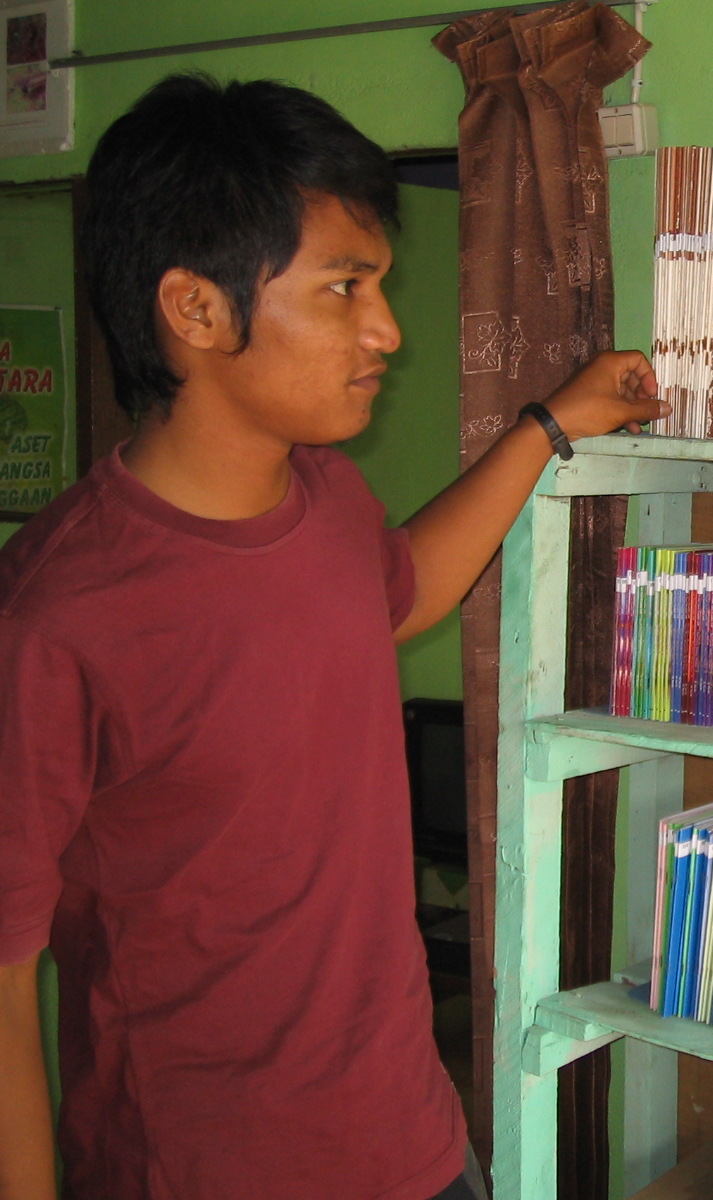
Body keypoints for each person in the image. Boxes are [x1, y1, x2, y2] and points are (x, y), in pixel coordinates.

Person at [0, 73, 664, 1200]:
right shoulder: (57, 617)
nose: (386, 330)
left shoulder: (327, 499)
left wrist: (551, 424)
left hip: (408, 1139)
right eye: (344, 287)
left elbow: (399, 594)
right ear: (196, 309)